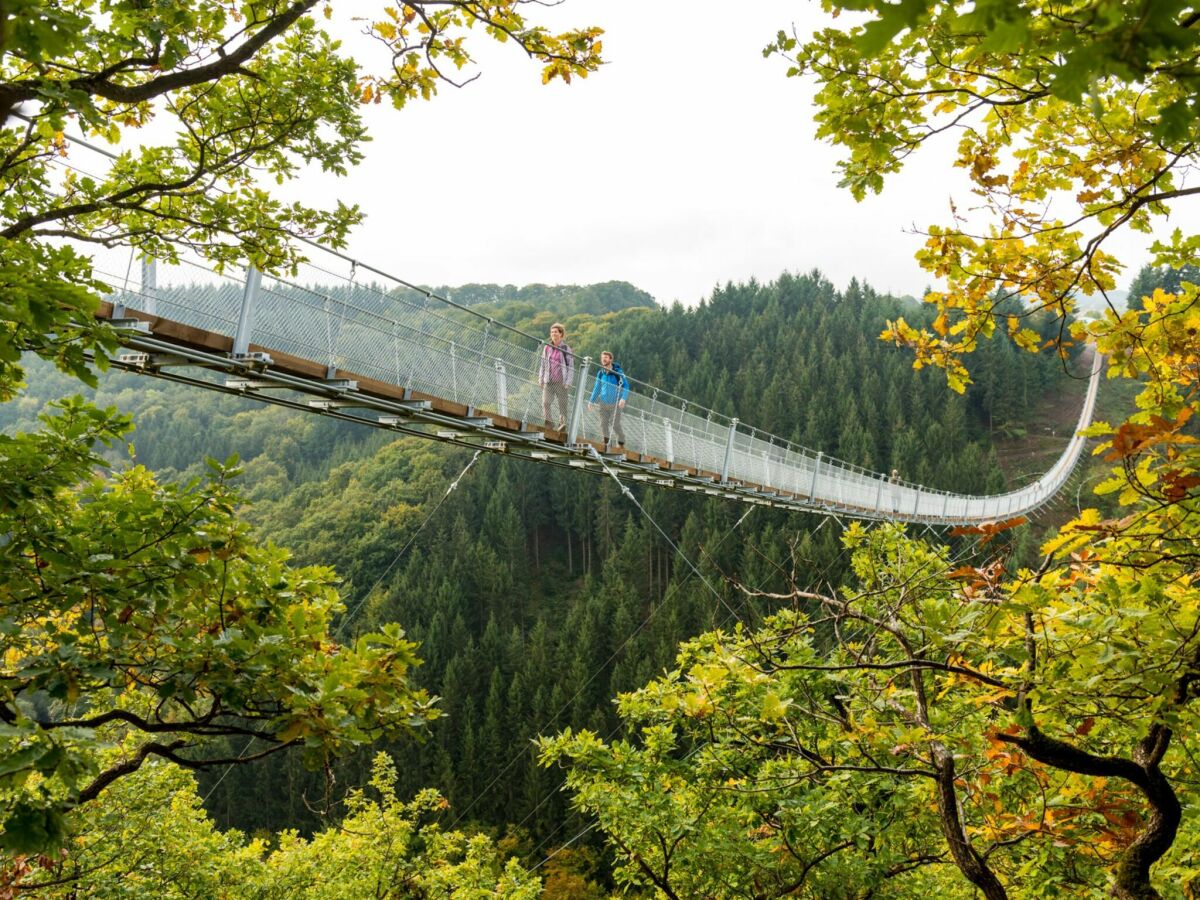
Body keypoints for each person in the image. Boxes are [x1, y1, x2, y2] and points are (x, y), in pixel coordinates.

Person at [587, 350, 628, 448]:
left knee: (615, 424)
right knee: (603, 423)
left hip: (615, 403)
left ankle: (621, 439)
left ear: (610, 359)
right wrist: (591, 401)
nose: (603, 359)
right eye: (602, 358)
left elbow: (626, 386)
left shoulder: (617, 372)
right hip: (603, 402)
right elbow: (597, 387)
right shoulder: (601, 373)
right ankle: (606, 442)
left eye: (606, 357)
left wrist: (623, 398)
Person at [537, 322, 573, 430]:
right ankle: (549, 423)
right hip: (549, 381)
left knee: (562, 405)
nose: (553, 334)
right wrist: (541, 379)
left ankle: (562, 425)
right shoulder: (547, 348)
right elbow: (543, 364)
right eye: (552, 332)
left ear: (561, 334)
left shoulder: (566, 348)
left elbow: (570, 367)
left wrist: (568, 382)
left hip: (561, 382)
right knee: (545, 402)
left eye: (556, 332)